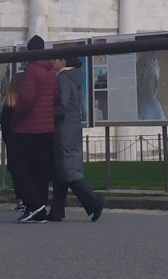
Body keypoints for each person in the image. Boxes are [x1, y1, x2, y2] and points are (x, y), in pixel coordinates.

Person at [48, 55, 103, 223]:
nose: (53, 62)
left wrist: (48, 116)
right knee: (60, 170)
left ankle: (93, 201)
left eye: (55, 59)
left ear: (63, 61)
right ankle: (56, 211)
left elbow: (63, 103)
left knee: (67, 169)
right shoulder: (74, 78)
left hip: (63, 128)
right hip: (72, 126)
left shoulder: (63, 78)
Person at [11, 34, 56, 223]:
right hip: (46, 127)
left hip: (28, 127)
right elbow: (54, 97)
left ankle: (34, 205)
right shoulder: (50, 71)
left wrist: (16, 117)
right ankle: (39, 206)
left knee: (18, 167)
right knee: (40, 169)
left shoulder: (32, 70)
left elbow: (27, 99)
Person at [0, 81, 22, 212]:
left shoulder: (7, 107)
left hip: (12, 144)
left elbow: (5, 127)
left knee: (16, 172)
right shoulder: (23, 105)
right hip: (24, 141)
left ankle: (20, 199)